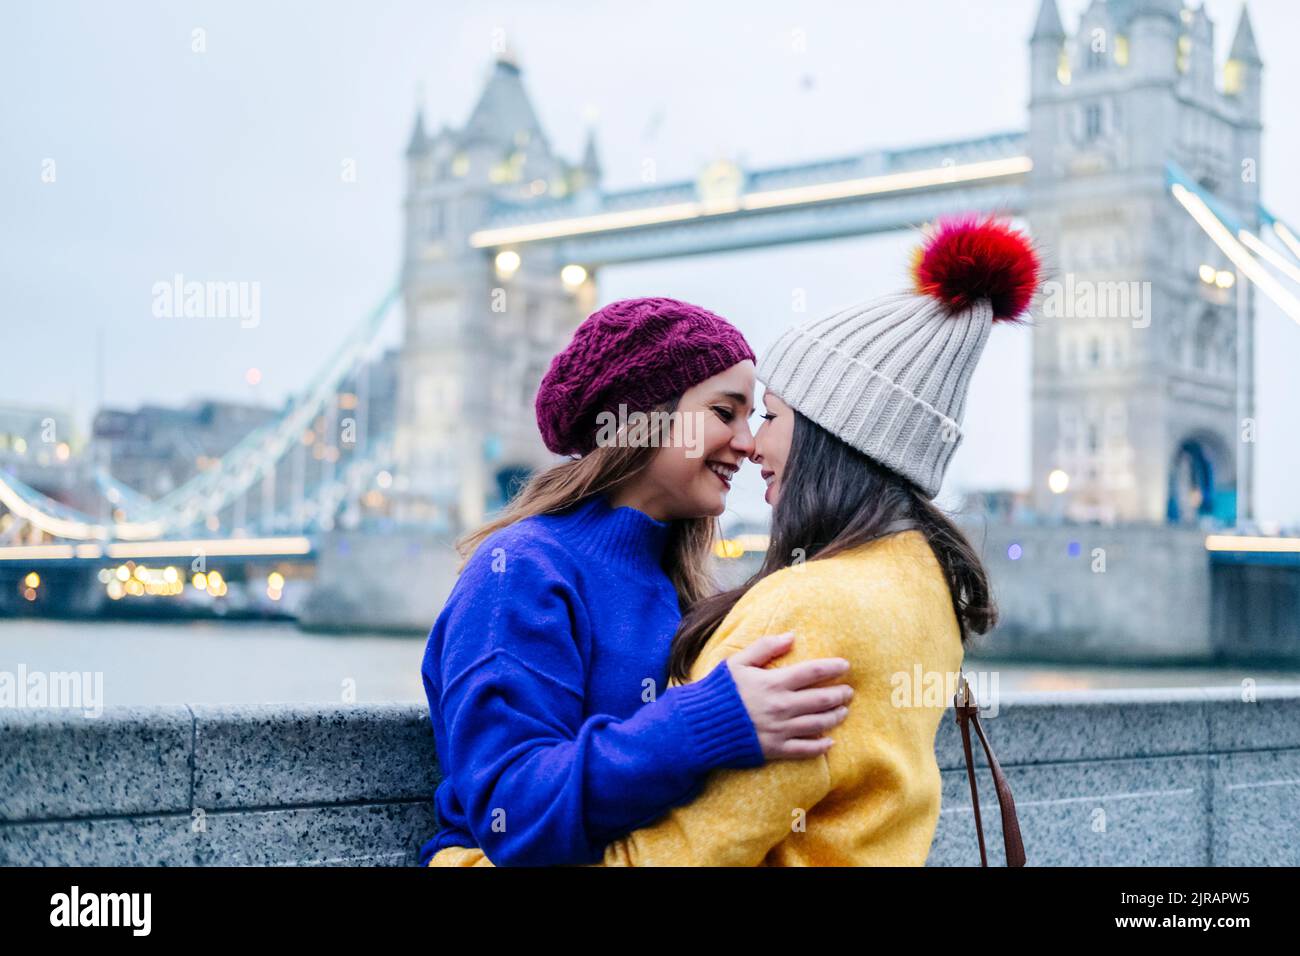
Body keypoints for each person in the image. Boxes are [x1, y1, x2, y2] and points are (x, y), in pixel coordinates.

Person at [420, 296, 854, 867]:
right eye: (726, 413)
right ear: (644, 416)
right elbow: (514, 811)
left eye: (752, 418)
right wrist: (705, 721)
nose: (749, 444)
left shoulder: (682, 585)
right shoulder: (519, 570)